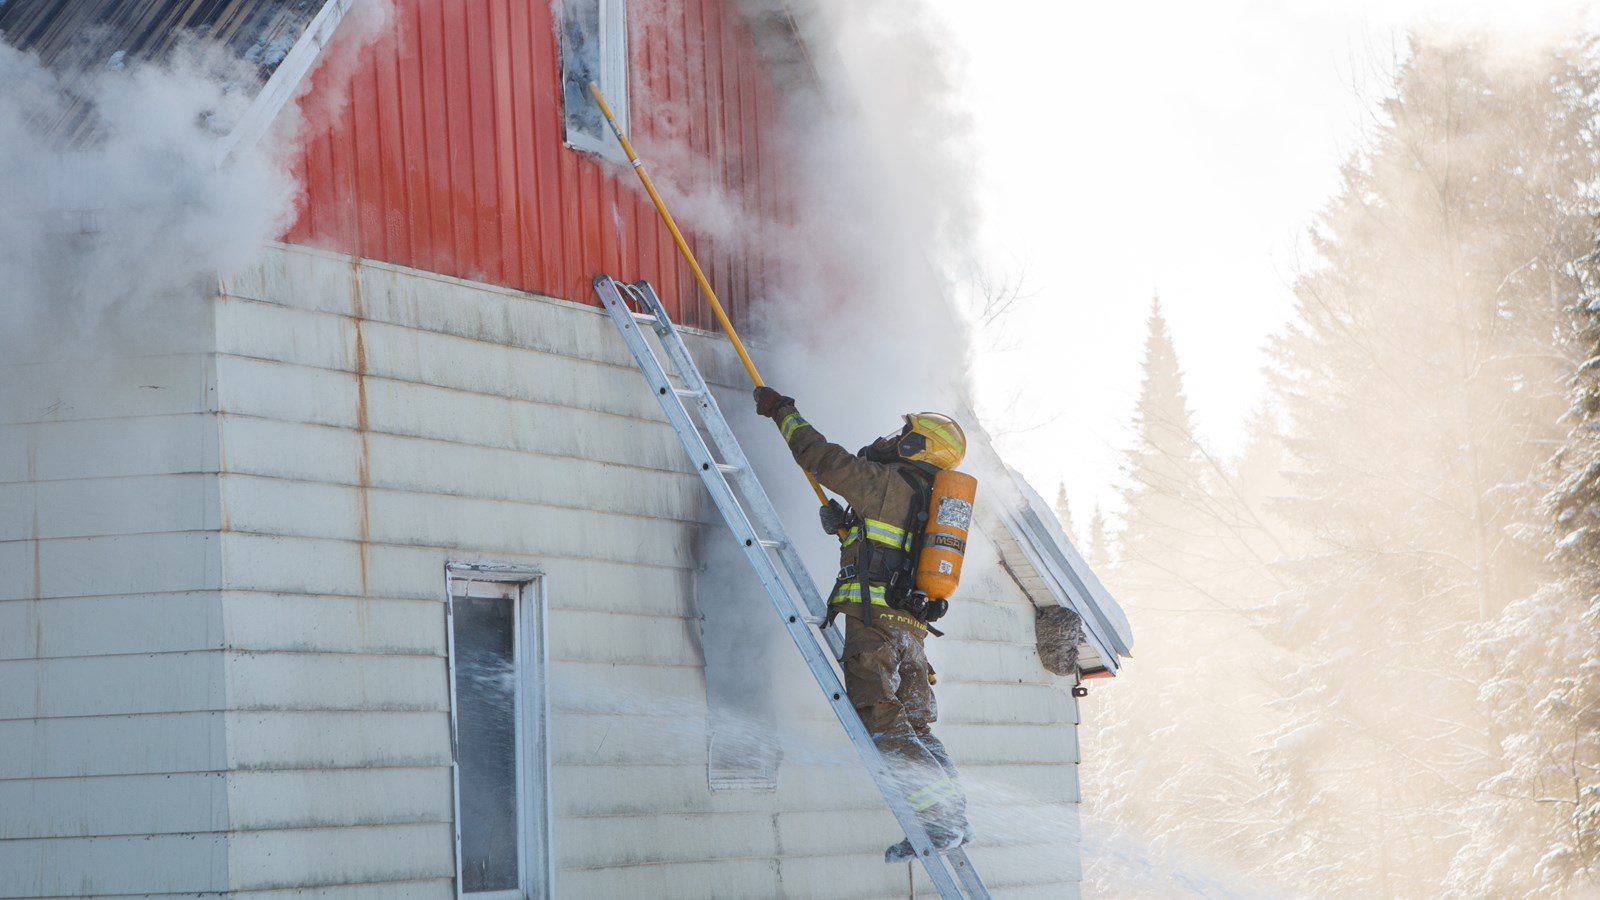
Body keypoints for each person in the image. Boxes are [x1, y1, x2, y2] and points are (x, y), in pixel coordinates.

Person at [753, 385, 972, 862]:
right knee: (917, 725)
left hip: (873, 628)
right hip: (910, 636)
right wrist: (848, 529)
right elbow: (888, 553)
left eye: (902, 436)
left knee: (882, 717)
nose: (889, 439)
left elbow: (823, 459)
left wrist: (783, 412)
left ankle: (938, 822)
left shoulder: (886, 482)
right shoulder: (926, 500)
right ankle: (955, 819)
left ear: (917, 448)